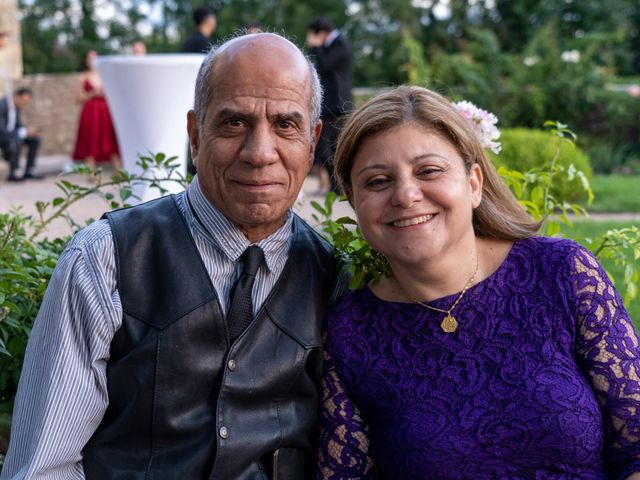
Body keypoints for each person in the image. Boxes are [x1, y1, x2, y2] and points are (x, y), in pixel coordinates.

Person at [2, 33, 339, 479]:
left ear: (312, 141)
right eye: (234, 123)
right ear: (195, 135)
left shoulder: (332, 277)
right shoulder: (104, 260)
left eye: (285, 125)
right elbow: (44, 467)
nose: (260, 152)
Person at [316, 85, 640, 479]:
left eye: (429, 171)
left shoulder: (563, 274)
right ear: (354, 204)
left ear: (473, 183)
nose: (405, 195)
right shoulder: (351, 334)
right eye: (378, 181)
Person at [306, 16, 353, 194]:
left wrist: (316, 46)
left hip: (338, 106)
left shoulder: (339, 44)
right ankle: (336, 188)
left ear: (321, 33)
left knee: (331, 148)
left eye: (312, 34)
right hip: (330, 106)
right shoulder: (330, 46)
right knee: (327, 148)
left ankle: (338, 188)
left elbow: (325, 65)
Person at [72, 50, 121, 172]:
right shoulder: (83, 77)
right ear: (86, 61)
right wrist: (93, 93)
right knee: (90, 139)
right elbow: (78, 98)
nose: (92, 61)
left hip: (106, 111)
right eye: (90, 59)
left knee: (111, 139)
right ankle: (91, 172)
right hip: (90, 111)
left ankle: (119, 171)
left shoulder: (107, 75)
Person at [0, 87, 42, 181]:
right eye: (24, 100)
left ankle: (29, 171)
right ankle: (14, 172)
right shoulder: (2, 105)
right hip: (3, 137)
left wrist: (26, 130)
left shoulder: (16, 107)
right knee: (17, 140)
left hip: (12, 135)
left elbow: (17, 125)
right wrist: (22, 132)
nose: (25, 103)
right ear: (16, 96)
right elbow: (1, 129)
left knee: (35, 139)